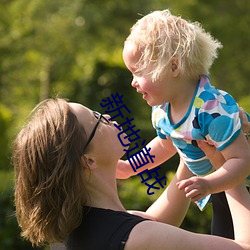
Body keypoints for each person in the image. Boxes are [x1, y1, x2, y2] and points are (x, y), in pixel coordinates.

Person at [13, 98, 250, 250]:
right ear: (88, 160)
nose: (108, 117)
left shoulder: (73, 233)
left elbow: (157, 221)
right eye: (97, 120)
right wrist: (226, 165)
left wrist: (190, 138)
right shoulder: (138, 238)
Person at [119, 9, 250, 239]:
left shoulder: (210, 109)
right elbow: (165, 145)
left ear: (173, 67)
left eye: (138, 72)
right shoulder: (162, 110)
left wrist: (209, 184)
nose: (133, 82)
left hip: (239, 186)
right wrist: (130, 167)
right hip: (220, 189)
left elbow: (242, 160)